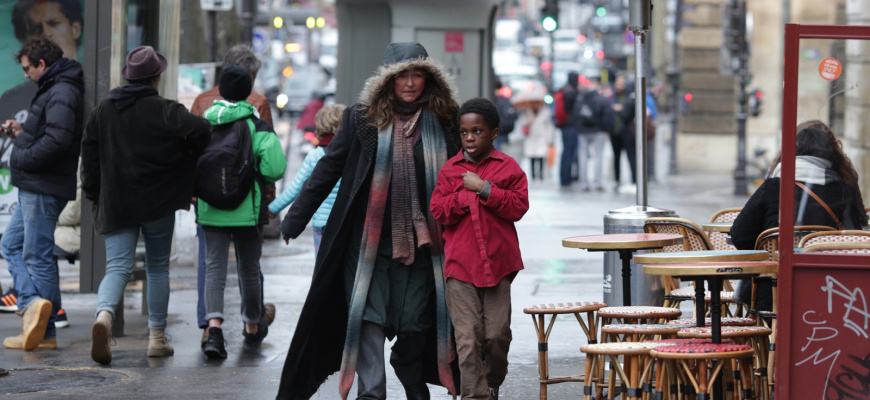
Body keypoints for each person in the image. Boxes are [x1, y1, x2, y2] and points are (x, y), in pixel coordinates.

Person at [276, 42, 462, 400]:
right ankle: (371, 395)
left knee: (416, 324)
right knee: (368, 322)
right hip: (368, 246)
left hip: (426, 248)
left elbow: (468, 167)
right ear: (386, 80)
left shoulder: (445, 120)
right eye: (401, 75)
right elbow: (328, 168)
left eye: (417, 74)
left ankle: (410, 375)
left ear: (428, 78)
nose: (409, 83)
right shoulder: (362, 118)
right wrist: (293, 220)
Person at [81, 46, 211, 364]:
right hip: (158, 201)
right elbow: (202, 132)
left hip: (117, 201)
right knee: (156, 268)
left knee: (118, 268)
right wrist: (181, 159)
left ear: (127, 76)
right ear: (156, 77)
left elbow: (89, 158)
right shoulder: (166, 110)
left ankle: (104, 318)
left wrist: (95, 194)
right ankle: (156, 338)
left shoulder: (103, 110)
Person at [430, 97, 529, 400]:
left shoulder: (508, 167)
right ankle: (475, 395)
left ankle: (492, 381)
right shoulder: (450, 171)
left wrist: (485, 189)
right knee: (468, 339)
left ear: (494, 133)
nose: (470, 138)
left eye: (477, 131)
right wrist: (464, 196)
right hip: (461, 267)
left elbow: (518, 206)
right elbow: (438, 210)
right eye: (464, 132)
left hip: (498, 266)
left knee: (496, 336)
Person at [190, 44, 277, 347]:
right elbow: (274, 167)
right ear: (249, 86)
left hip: (210, 205)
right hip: (247, 206)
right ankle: (252, 326)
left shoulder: (202, 115)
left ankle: (213, 330)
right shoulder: (256, 120)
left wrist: (195, 193)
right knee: (249, 268)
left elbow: (188, 159)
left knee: (213, 267)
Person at [0, 0, 83, 319]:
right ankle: (32, 307)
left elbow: (58, 140)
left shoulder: (61, 90)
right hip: (36, 183)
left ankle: (46, 322)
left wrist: (24, 155)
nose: (25, 74)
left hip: (42, 185)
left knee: (37, 255)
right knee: (11, 246)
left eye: (28, 68)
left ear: (43, 64)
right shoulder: (54, 88)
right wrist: (21, 132)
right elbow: (49, 134)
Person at [730, 120, 868, 311]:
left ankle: (768, 339)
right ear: (832, 155)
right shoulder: (844, 191)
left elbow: (739, 236)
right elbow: (853, 243)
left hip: (770, 292)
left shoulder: (772, 186)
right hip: (830, 292)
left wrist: (770, 252)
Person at [268, 103, 346, 255]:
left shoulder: (316, 155)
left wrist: (272, 209)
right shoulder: (352, 154)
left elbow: (295, 189)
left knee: (323, 269)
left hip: (322, 224)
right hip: (346, 221)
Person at [574, 77, 613, 192]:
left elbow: (575, 114)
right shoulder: (601, 99)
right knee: (598, 156)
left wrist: (579, 127)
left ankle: (584, 183)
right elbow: (607, 114)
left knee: (583, 156)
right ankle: (597, 182)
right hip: (598, 131)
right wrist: (606, 128)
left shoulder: (581, 98)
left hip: (583, 131)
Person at [609, 74, 637, 189]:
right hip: (614, 132)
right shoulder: (613, 97)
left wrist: (619, 110)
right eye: (617, 83)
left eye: (621, 83)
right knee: (616, 157)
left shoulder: (630, 99)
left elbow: (626, 115)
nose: (619, 86)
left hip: (627, 132)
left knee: (631, 157)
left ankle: (634, 180)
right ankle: (617, 179)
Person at [554, 72, 580, 186]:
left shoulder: (564, 89)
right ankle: (566, 178)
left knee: (566, 152)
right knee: (570, 152)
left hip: (565, 125)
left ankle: (565, 177)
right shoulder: (572, 92)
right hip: (571, 126)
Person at [516, 101, 554, 181]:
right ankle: (533, 175)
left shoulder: (545, 112)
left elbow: (549, 125)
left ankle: (540, 175)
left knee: (541, 156)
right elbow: (523, 123)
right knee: (532, 156)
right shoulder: (527, 112)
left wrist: (550, 138)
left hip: (541, 137)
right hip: (531, 137)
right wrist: (529, 119)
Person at [492, 78, 516, 151]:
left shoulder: (494, 99)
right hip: (505, 130)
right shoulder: (506, 100)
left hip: (496, 129)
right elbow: (515, 115)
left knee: (496, 149)